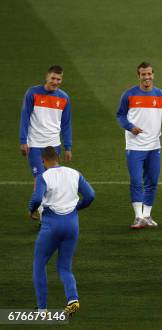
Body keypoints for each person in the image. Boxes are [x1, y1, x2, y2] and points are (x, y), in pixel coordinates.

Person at [29, 146, 95, 316]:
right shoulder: (74, 173)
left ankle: (42, 309)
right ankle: (72, 299)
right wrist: (78, 207)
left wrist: (31, 210)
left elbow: (37, 198)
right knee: (64, 267)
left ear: (43, 161)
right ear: (57, 157)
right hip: (72, 224)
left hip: (52, 224)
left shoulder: (44, 176)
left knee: (39, 264)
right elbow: (90, 195)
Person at [116, 62, 162, 229]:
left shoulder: (161, 95)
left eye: (149, 74)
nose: (147, 77)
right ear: (139, 76)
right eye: (143, 74)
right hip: (134, 146)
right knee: (136, 181)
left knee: (152, 182)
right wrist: (130, 127)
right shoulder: (129, 95)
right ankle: (138, 216)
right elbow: (120, 115)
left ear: (153, 75)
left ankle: (147, 216)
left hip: (154, 146)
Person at [19, 65, 73, 219]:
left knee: (51, 179)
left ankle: (39, 207)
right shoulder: (33, 93)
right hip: (35, 144)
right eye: (53, 78)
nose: (55, 82)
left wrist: (67, 146)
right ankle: (42, 213)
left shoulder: (64, 98)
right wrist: (23, 141)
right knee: (40, 177)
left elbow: (66, 124)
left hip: (54, 145)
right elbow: (25, 117)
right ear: (46, 77)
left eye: (59, 79)